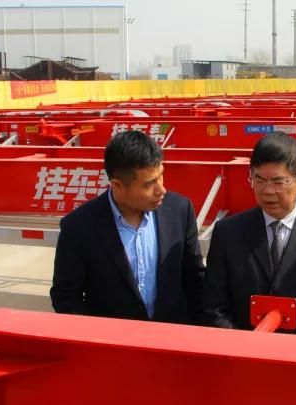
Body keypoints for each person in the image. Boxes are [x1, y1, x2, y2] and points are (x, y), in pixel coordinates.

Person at [203, 132, 296, 336]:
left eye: (278, 182)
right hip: (240, 349)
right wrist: (243, 348)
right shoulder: (228, 233)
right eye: (259, 180)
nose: (267, 191)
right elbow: (214, 306)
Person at [51, 130, 205, 323]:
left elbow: (195, 280)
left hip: (173, 335)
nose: (161, 189)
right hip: (111, 340)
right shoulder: (79, 227)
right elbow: (66, 298)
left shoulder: (179, 211)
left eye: (161, 176)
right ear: (118, 185)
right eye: (149, 184)